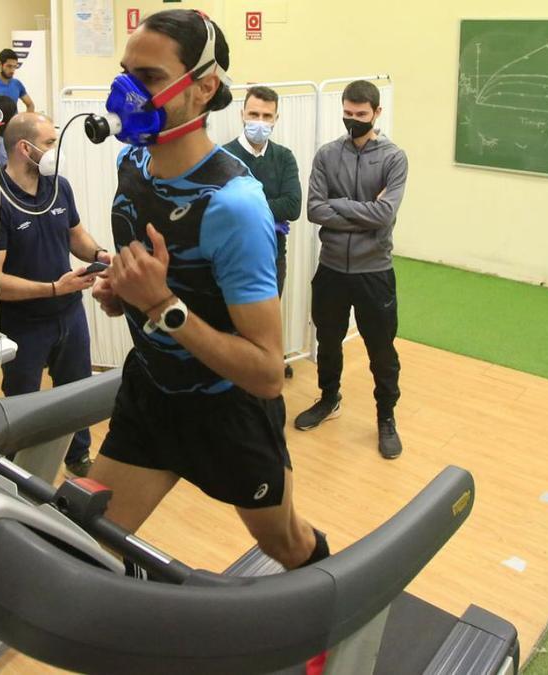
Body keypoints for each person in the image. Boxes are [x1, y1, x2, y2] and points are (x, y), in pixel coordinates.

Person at [90, 9, 328, 572]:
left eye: (146, 78)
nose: (125, 91)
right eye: (123, 73)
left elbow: (269, 373)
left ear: (203, 88)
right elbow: (162, 282)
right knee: (83, 544)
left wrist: (161, 306)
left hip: (228, 415)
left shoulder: (236, 205)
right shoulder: (133, 163)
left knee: (286, 544)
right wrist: (124, 291)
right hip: (151, 396)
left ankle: (338, 631)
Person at [0, 113, 111, 477]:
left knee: (77, 393)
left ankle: (78, 457)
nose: (55, 151)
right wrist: (51, 288)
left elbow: (75, 234)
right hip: (23, 326)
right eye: (49, 143)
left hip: (69, 314)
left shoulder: (59, 187)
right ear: (24, 148)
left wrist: (98, 255)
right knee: (24, 405)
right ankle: (19, 474)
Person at [297, 80, 409, 460]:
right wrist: (359, 207)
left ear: (377, 113)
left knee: (381, 349)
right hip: (331, 270)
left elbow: (385, 214)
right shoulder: (327, 155)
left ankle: (386, 417)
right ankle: (329, 398)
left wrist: (338, 204)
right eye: (347, 114)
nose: (353, 121)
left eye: (361, 115)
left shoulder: (394, 158)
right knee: (327, 341)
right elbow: (314, 209)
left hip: (374, 271)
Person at [222, 86, 301, 379]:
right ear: (242, 114)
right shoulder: (223, 156)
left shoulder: (283, 157)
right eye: (254, 113)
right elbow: (223, 208)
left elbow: (292, 206)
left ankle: (267, 368)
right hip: (233, 255)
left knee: (267, 320)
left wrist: (249, 209)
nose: (259, 120)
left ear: (276, 118)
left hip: (272, 254)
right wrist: (267, 211)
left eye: (267, 116)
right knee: (232, 320)